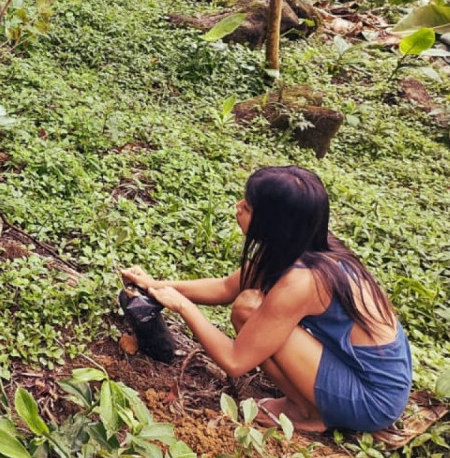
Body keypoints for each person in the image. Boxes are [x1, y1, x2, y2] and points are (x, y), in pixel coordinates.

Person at [121, 166, 412, 434]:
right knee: (248, 306)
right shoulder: (299, 242)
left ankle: (308, 413)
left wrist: (183, 306)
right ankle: (309, 400)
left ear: (271, 224)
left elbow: (235, 361)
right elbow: (225, 287)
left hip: (373, 398)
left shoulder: (303, 282)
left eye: (246, 207)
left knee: (249, 310)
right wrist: (154, 284)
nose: (237, 207)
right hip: (361, 369)